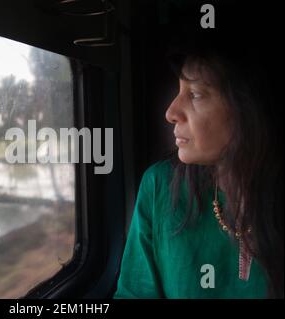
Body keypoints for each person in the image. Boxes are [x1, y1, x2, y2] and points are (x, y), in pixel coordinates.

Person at [113, 31, 283, 298]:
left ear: (249, 108)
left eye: (196, 95)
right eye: (180, 90)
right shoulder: (160, 186)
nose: (171, 113)